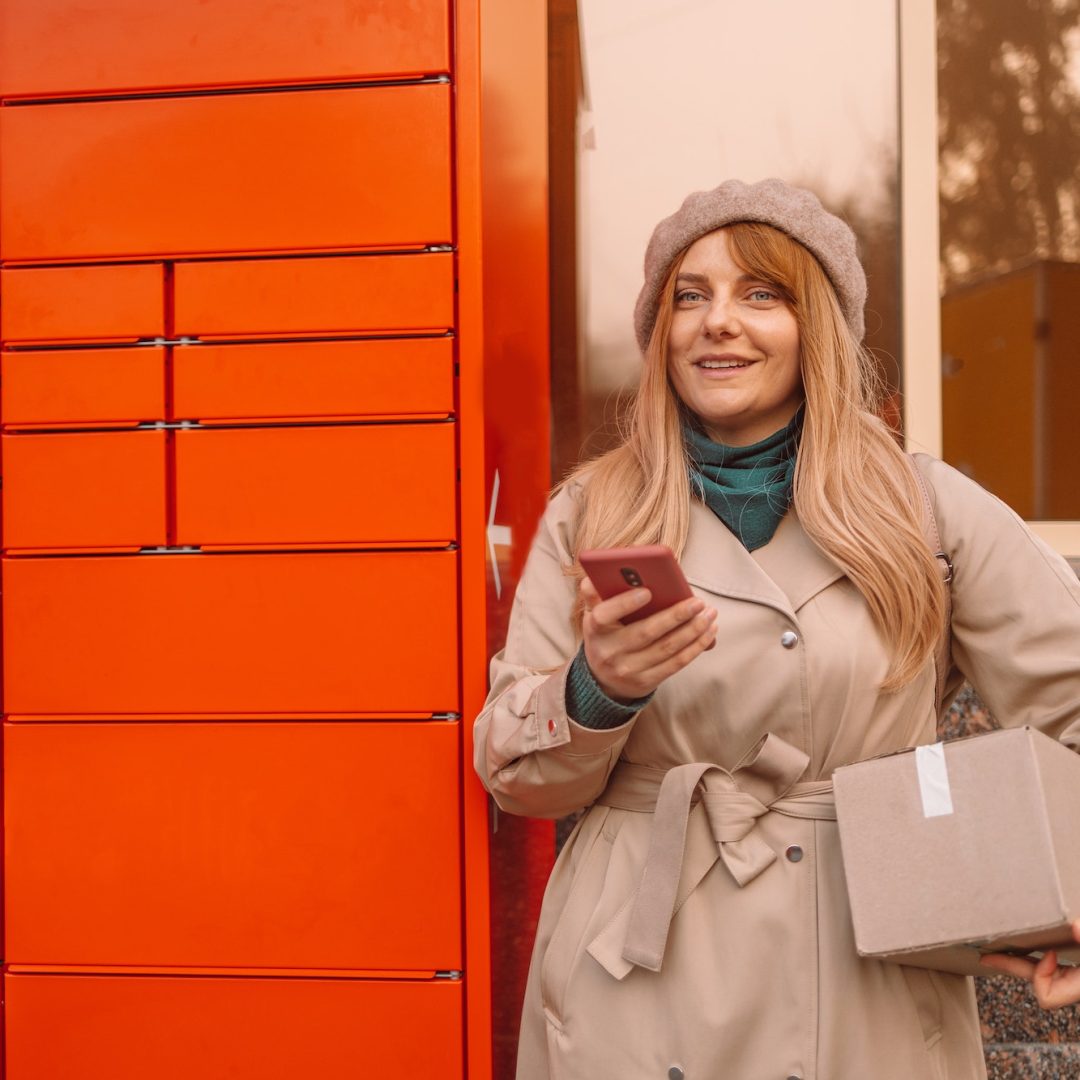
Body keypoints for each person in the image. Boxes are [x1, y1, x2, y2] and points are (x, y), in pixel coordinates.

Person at [473, 178, 1080, 1080]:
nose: (719, 322)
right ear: (660, 334)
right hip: (636, 970)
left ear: (818, 331)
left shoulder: (924, 510)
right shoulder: (590, 512)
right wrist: (598, 689)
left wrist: (1057, 901)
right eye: (691, 296)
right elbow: (516, 777)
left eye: (763, 294)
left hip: (863, 962)